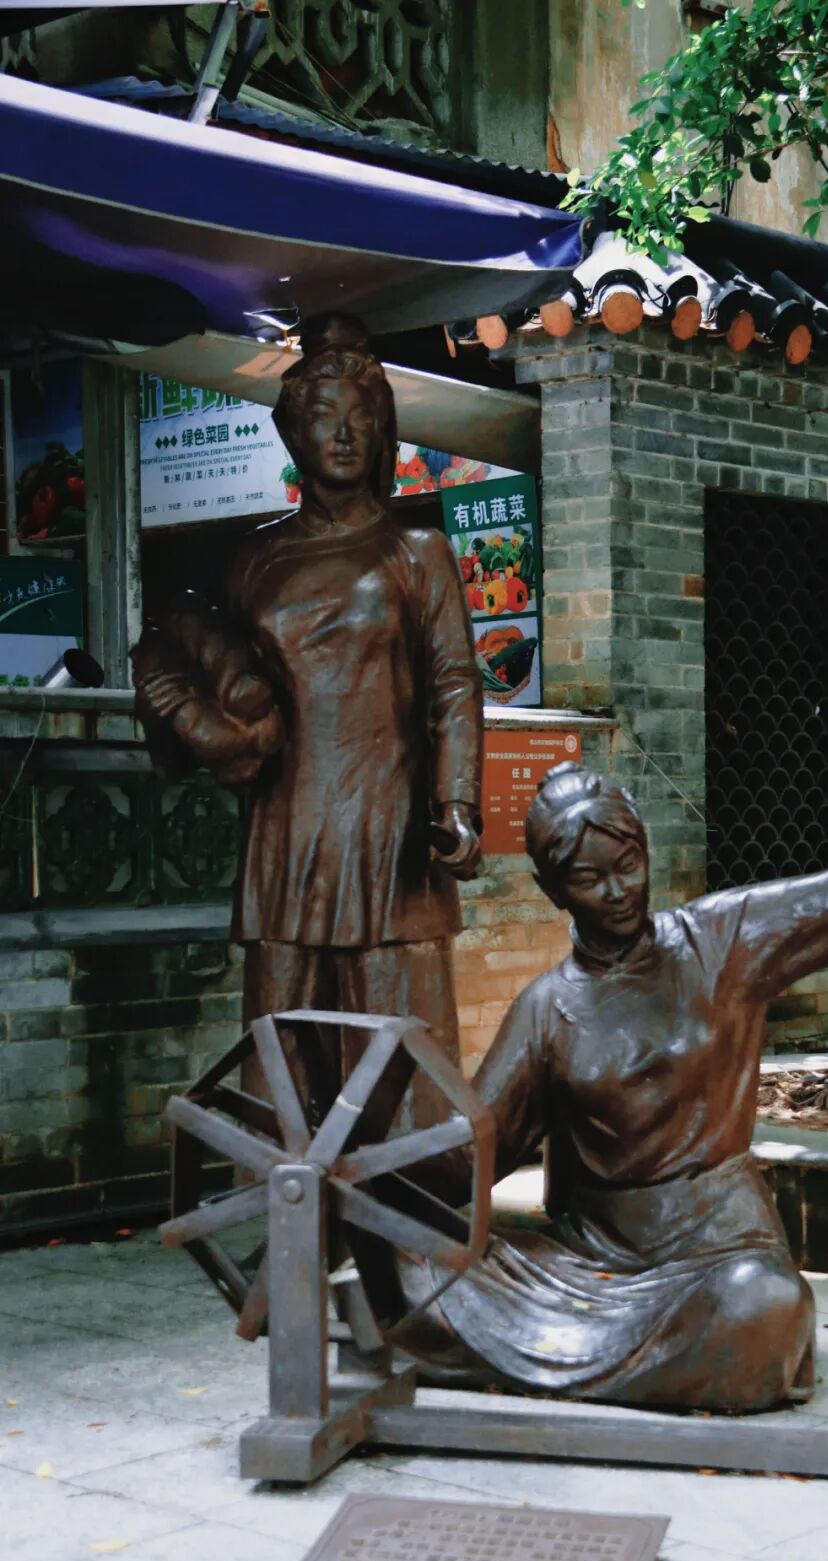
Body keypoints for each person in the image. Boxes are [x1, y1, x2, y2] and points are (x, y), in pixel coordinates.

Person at [401, 764, 828, 1413]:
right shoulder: (545, 1009)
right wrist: (374, 1172)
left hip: (721, 1249)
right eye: (588, 880)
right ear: (552, 889)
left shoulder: (718, 939)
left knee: (765, 1308)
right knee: (414, 1272)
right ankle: (629, 1363)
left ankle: (566, 1359)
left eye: (628, 865)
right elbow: (476, 1146)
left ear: (646, 849)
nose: (618, 891)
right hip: (589, 1263)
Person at [132, 315, 483, 1130]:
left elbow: (454, 686)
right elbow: (211, 672)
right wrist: (185, 711)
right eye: (324, 415)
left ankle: (411, 1195)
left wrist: (457, 803)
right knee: (283, 1035)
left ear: (384, 428)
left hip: (388, 826)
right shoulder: (253, 560)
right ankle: (289, 1186)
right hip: (287, 825)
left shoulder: (418, 551)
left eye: (362, 415)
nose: (344, 433)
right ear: (293, 432)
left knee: (397, 1033)